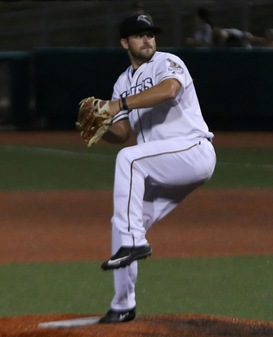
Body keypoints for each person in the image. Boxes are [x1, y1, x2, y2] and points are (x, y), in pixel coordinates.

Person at [83, 14, 217, 323]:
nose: (147, 40)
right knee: (122, 224)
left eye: (150, 34)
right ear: (124, 42)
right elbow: (124, 133)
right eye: (139, 35)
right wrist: (102, 125)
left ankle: (135, 242)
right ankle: (122, 305)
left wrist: (118, 105)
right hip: (162, 166)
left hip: (192, 151)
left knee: (130, 160)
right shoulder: (122, 82)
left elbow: (169, 90)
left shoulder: (167, 62)